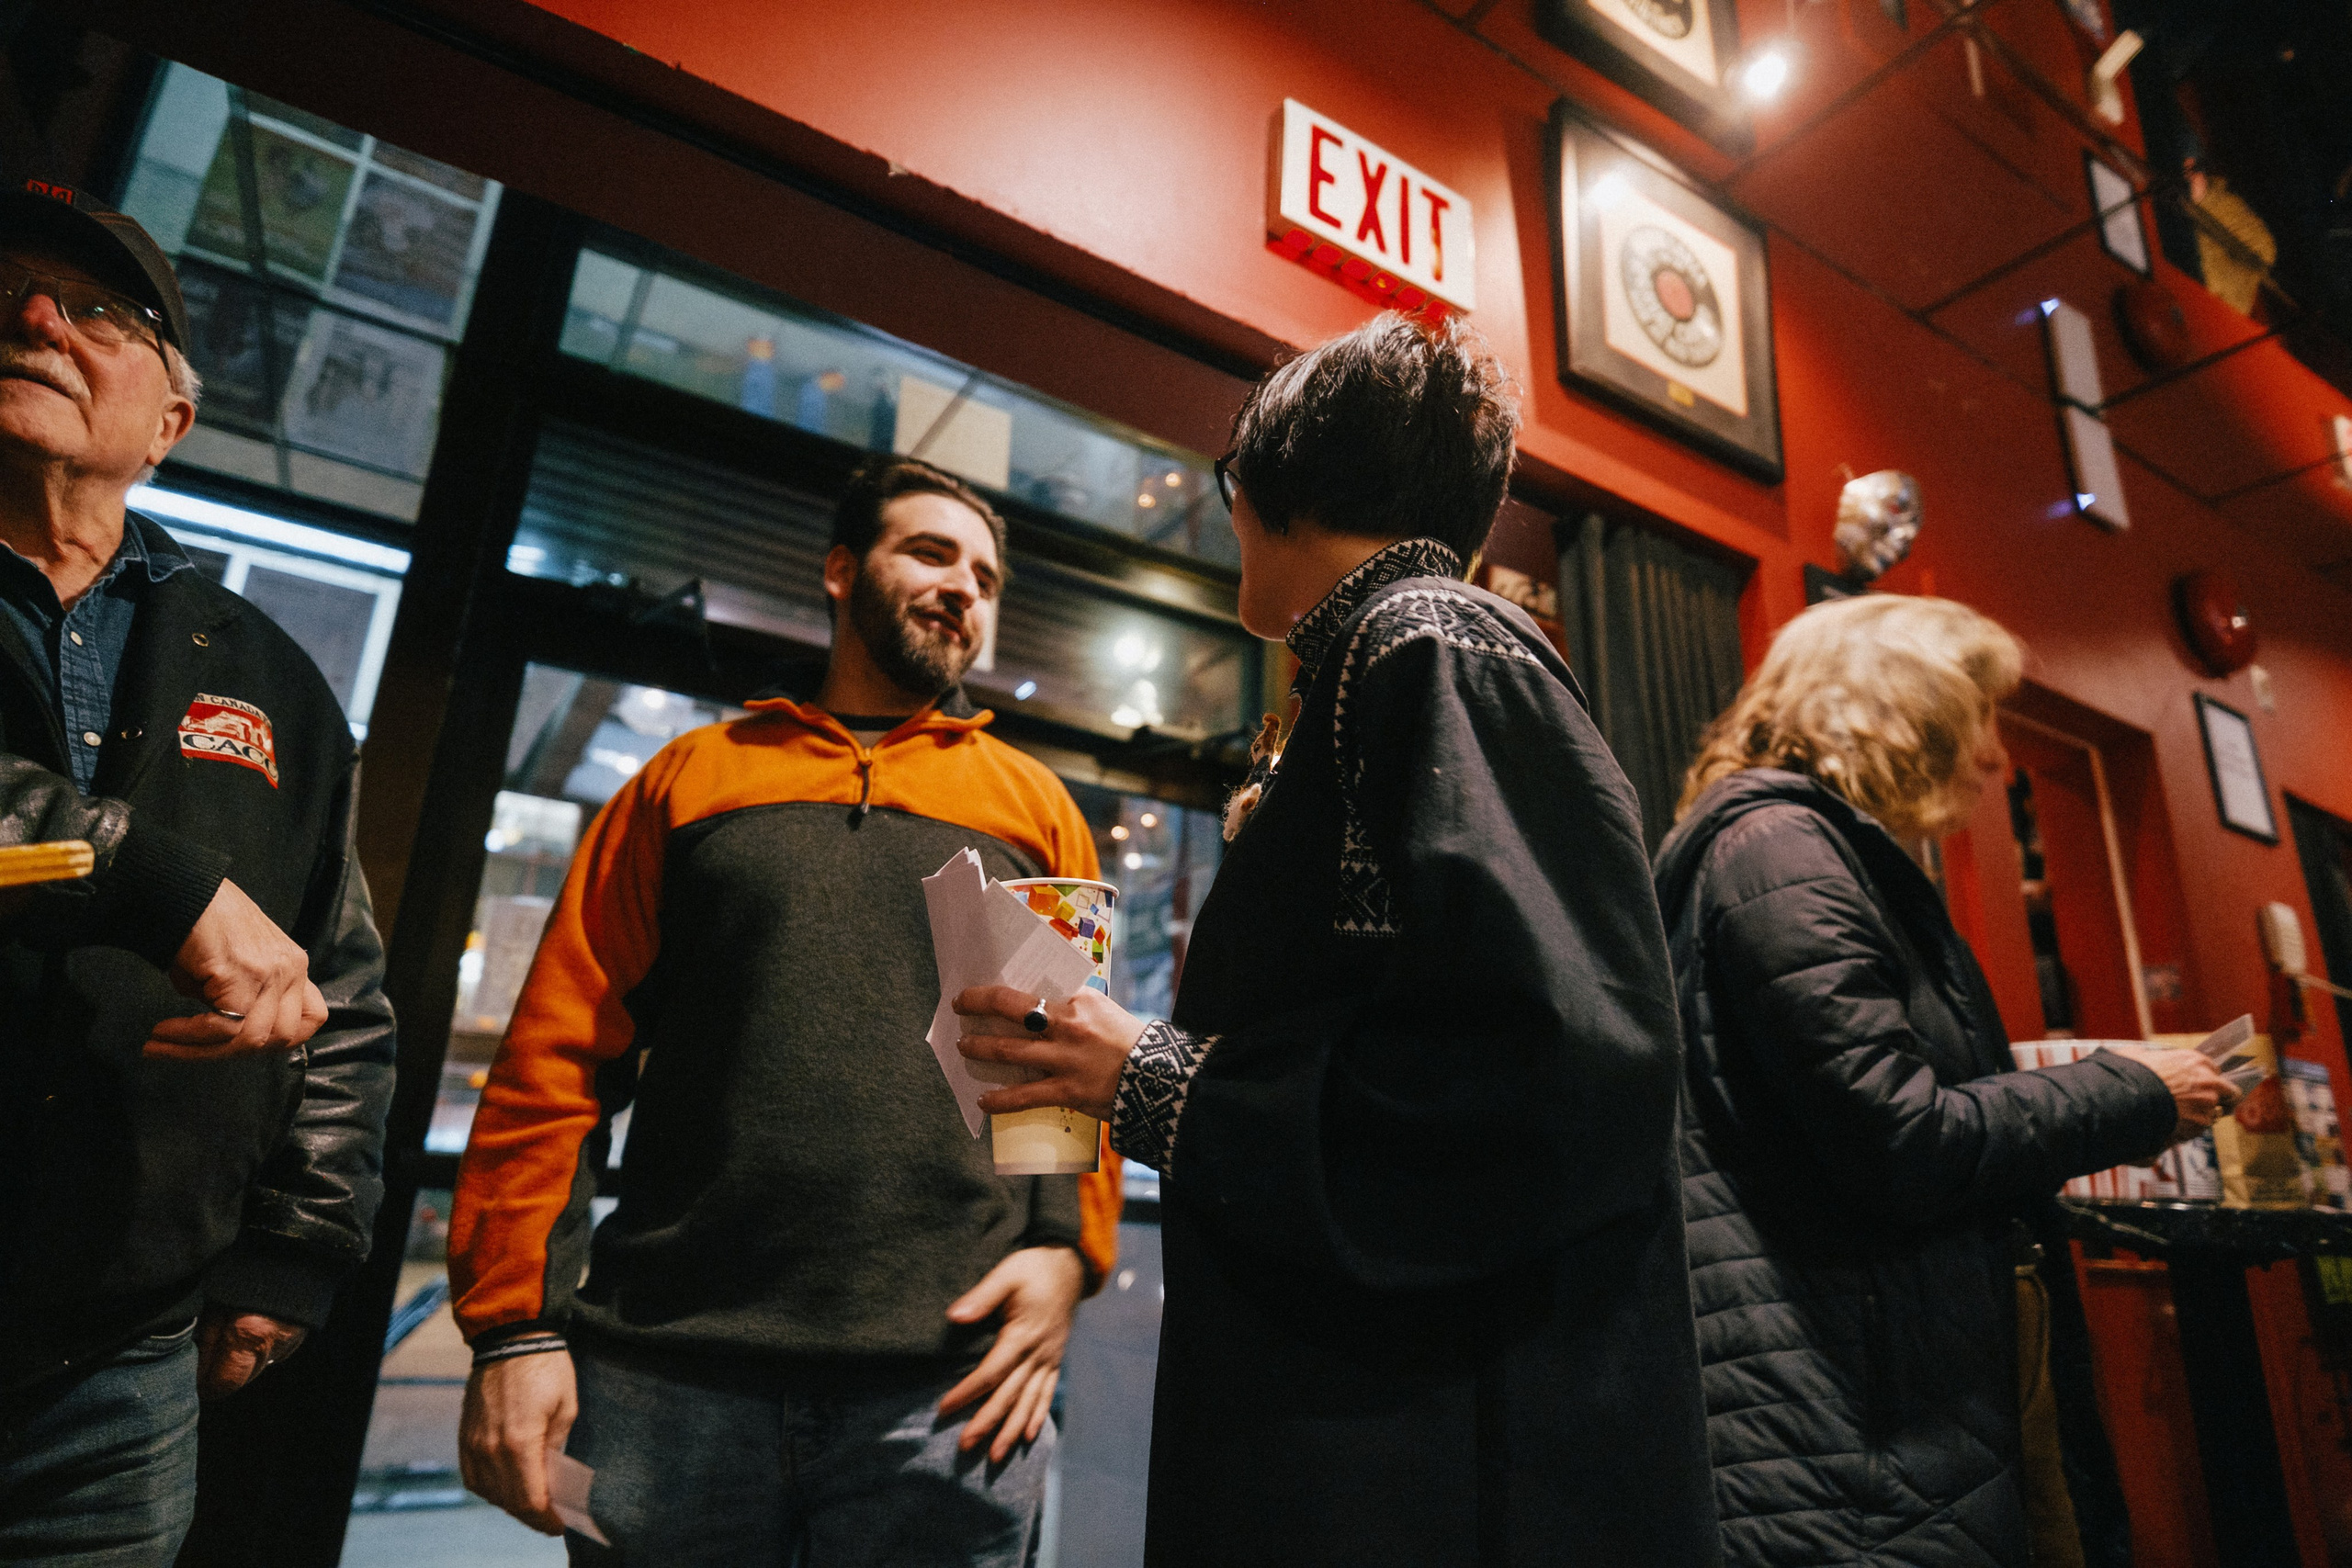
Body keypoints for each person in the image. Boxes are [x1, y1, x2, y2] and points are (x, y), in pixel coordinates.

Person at [956, 314, 1722, 1566]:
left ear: (1269, 479)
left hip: (1431, 1460)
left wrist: (1155, 1077)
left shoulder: (1427, 640)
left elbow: (1553, 1072)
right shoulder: (1396, 654)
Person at [449, 456, 1122, 1565]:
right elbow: (557, 1058)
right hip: (668, 1374)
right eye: (931, 553)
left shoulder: (1034, 807)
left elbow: (1063, 1073)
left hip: (947, 1389)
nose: (964, 587)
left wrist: (1062, 1255)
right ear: (841, 570)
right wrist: (514, 1329)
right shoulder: (686, 779)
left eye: (986, 577)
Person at [1652, 593, 2233, 1568]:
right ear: (1902, 710)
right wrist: (2131, 1090)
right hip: (1852, 1426)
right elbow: (1899, 1140)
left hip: (1863, 1402)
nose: (1995, 754)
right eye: (1978, 716)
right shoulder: (1785, 851)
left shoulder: (1799, 851)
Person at [0, 181, 396, 1561]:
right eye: (7, 294)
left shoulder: (272, 676)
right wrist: (155, 879)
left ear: (170, 421)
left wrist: (298, 1245)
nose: (35, 316)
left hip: (119, 1372)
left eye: (95, 311)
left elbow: (344, 991)